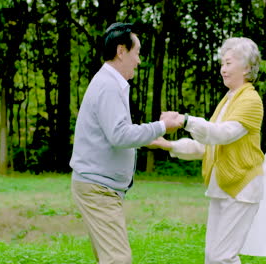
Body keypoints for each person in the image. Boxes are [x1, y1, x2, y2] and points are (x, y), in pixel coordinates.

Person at [69, 22, 182, 264]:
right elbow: (120, 135)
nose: (139, 60)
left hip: (99, 187)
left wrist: (151, 137)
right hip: (98, 189)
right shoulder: (108, 86)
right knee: (118, 259)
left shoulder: (109, 83)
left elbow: (115, 134)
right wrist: (163, 126)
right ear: (122, 51)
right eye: (137, 53)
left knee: (109, 259)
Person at [148, 37, 264, 264]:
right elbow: (206, 146)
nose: (223, 69)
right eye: (222, 63)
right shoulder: (228, 100)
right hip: (222, 186)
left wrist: (185, 120)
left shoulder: (250, 100)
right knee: (213, 257)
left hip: (241, 188)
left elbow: (221, 134)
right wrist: (169, 145)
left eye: (229, 63)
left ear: (247, 67)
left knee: (222, 257)